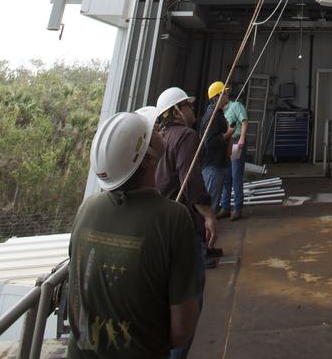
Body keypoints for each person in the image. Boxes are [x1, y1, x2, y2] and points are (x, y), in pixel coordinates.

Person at [68, 108, 200, 359]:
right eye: (151, 132)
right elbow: (182, 330)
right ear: (149, 159)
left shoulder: (87, 209)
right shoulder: (173, 219)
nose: (159, 128)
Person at [155, 82, 220, 359]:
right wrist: (208, 215)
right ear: (177, 111)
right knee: (189, 298)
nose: (192, 109)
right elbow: (191, 182)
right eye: (187, 105)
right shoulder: (185, 137)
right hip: (182, 229)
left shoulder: (158, 138)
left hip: (160, 229)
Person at [200, 80, 232, 214]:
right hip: (213, 166)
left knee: (214, 202)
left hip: (218, 164)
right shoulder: (212, 116)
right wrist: (227, 134)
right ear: (216, 97)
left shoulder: (217, 114)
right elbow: (210, 141)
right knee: (211, 205)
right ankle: (205, 233)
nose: (227, 95)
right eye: (225, 93)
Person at [220, 86, 248, 220]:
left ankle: (237, 208)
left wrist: (242, 138)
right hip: (226, 144)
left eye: (223, 93)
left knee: (236, 175)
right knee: (226, 177)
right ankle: (225, 207)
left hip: (236, 142)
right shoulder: (219, 112)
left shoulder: (236, 106)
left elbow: (244, 121)